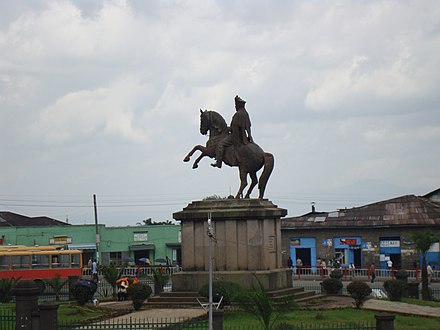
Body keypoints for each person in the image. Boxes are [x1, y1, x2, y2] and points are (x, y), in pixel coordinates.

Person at [212, 95, 253, 168]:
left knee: (220, 144)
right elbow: (248, 127)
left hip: (235, 137)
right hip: (244, 137)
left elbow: (233, 128)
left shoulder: (237, 115)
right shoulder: (246, 114)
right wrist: (250, 137)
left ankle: (218, 162)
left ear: (238, 105)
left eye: (235, 105)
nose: (235, 106)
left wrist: (225, 129)